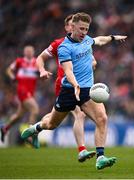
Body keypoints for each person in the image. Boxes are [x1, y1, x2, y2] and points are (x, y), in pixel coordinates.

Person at [21, 12, 127, 170]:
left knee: (102, 118)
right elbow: (68, 71)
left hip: (87, 91)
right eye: (81, 29)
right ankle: (35, 128)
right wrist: (75, 84)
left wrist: (113, 37)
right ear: (72, 28)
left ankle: (100, 157)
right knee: (51, 124)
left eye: (86, 29)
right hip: (69, 91)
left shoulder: (87, 39)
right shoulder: (64, 47)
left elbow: (99, 40)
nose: (84, 32)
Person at [41, 14, 97, 162]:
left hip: (80, 85)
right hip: (64, 85)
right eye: (71, 24)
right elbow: (40, 58)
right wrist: (41, 70)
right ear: (68, 27)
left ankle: (36, 127)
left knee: (64, 118)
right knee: (72, 117)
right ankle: (81, 150)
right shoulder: (59, 44)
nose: (82, 31)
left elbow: (90, 56)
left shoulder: (83, 40)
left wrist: (92, 61)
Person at [0, 45, 39, 147]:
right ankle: (29, 135)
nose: (29, 52)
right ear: (24, 52)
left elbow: (40, 74)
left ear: (33, 52)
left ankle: (5, 128)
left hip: (31, 92)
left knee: (19, 115)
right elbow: (9, 70)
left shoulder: (37, 62)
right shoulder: (19, 61)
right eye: (27, 51)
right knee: (34, 109)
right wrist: (13, 77)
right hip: (22, 90)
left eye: (30, 51)